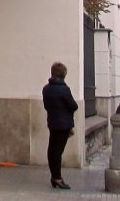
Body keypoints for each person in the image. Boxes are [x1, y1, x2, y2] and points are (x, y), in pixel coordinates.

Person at [42, 61, 79, 191]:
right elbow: (73, 106)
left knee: (51, 149)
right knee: (58, 151)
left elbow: (46, 106)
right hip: (64, 125)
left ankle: (54, 176)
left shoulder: (46, 89)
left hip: (52, 122)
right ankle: (57, 178)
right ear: (63, 74)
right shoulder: (64, 89)